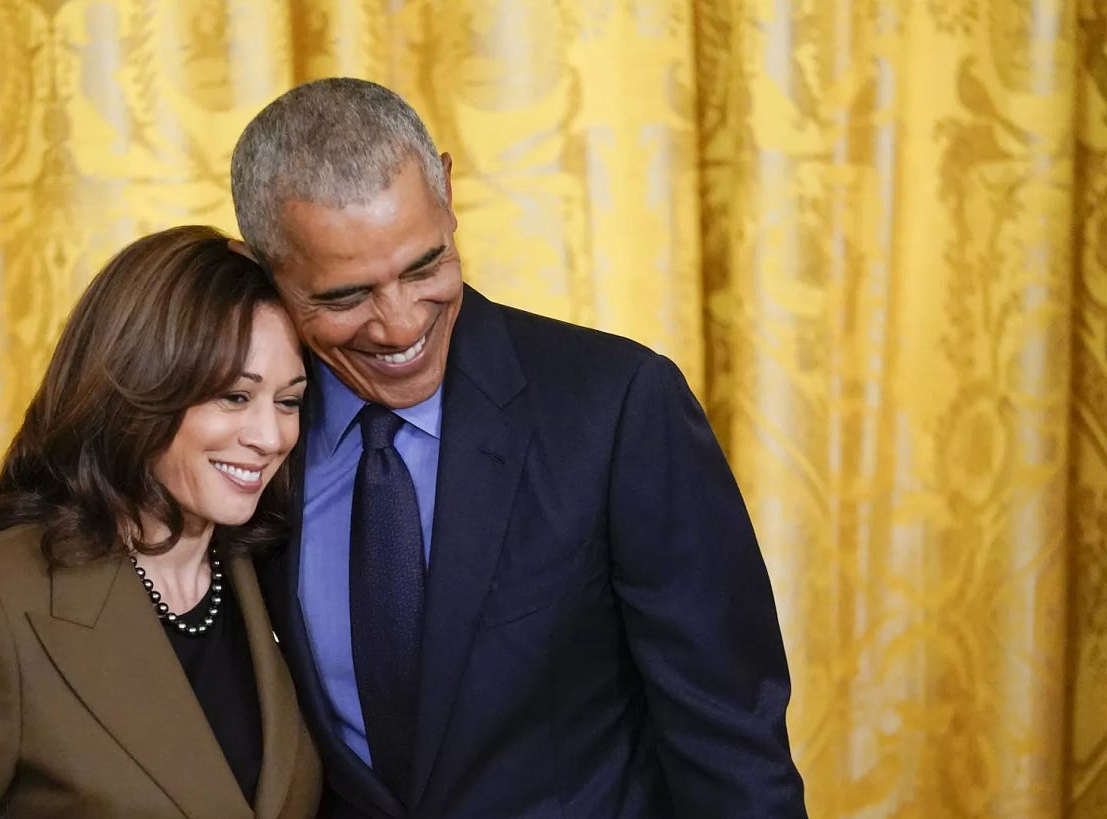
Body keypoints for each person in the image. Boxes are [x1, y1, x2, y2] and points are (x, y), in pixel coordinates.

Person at [227, 78, 809, 818]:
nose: (401, 323)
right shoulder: (243, 442)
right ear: (264, 267)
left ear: (446, 187)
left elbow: (731, 744)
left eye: (425, 265)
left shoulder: (619, 408)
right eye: (346, 296)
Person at [0, 226, 322, 818]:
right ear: (140, 388)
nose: (269, 437)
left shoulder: (286, 579)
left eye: (288, 402)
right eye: (235, 397)